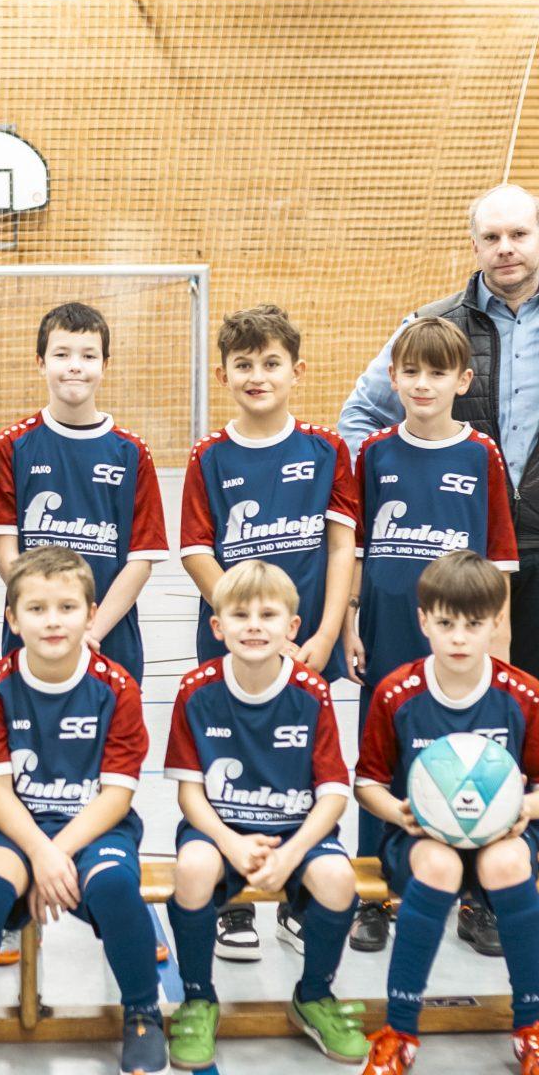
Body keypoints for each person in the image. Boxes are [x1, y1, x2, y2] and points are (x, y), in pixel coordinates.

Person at [340, 184, 539, 932]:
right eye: (491, 237)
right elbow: (359, 416)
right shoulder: (433, 324)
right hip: (452, 558)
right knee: (420, 708)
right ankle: (406, 869)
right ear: (475, 245)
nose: (505, 249)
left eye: (518, 234)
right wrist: (397, 487)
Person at [0, 547, 165, 1075]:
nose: (53, 621)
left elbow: (116, 796)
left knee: (113, 886)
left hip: (95, 826)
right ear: (12, 619)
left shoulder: (116, 687)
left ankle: (143, 1015)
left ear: (91, 614)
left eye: (67, 607)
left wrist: (55, 853)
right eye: (36, 609)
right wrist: (39, 852)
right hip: (15, 826)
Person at [353, 552, 539, 1075]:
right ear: (423, 620)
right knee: (439, 866)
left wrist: (524, 810)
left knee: (507, 862)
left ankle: (533, 1026)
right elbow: (367, 783)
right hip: (420, 836)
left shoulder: (522, 693)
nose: (458, 637)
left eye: (473, 624)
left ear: (496, 622)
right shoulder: (397, 693)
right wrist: (398, 812)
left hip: (503, 834)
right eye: (445, 622)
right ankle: (399, 1031)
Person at [181, 305, 358, 965]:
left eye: (271, 363)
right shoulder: (209, 456)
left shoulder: (326, 450)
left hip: (307, 642)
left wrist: (325, 633)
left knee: (299, 766)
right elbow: (196, 551)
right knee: (228, 762)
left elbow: (341, 548)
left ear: (297, 371)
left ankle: (298, 897)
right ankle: (230, 900)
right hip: (236, 643)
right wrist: (245, 622)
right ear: (223, 374)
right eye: (244, 365)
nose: (257, 376)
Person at [347, 315, 517, 956]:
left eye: (437, 373)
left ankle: (475, 897)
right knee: (381, 758)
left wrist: (500, 648)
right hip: (386, 632)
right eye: (411, 372)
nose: (423, 384)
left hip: (460, 642)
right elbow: (354, 548)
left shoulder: (481, 454)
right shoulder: (374, 452)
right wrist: (350, 621)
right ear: (392, 378)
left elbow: (500, 558)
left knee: (467, 759)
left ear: (462, 380)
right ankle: (375, 895)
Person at [160, 562, 364, 1072]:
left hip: (295, 831)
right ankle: (198, 998)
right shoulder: (196, 690)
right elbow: (190, 794)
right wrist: (230, 842)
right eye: (240, 615)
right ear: (217, 626)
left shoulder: (311, 692)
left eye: (268, 615)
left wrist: (292, 853)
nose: (253, 626)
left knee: (337, 878)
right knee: (193, 869)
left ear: (291, 627)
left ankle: (314, 995)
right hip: (221, 829)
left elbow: (333, 795)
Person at [0, 300, 169, 683]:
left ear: (105, 365)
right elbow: (6, 557)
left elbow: (140, 562)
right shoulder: (10, 447)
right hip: (34, 639)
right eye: (62, 354)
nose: (75, 366)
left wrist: (89, 631)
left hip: (109, 640)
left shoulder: (131, 452)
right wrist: (48, 621)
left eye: (88, 355)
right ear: (40, 362)